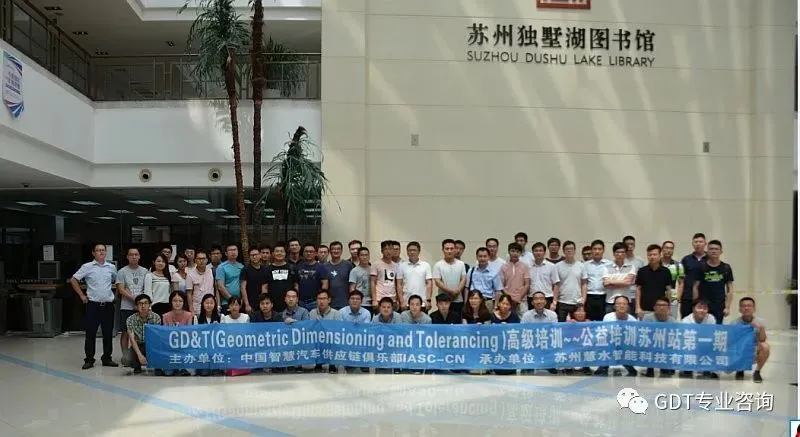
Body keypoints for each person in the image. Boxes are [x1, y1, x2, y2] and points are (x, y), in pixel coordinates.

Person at [71, 243, 119, 370]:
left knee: (108, 333)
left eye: (103, 250)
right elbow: (73, 280)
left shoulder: (111, 267)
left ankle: (107, 358)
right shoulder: (87, 267)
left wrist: (115, 296)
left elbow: (117, 282)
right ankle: (89, 359)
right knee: (90, 333)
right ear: (93, 253)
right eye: (98, 250)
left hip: (108, 305)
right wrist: (82, 295)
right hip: (93, 305)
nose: (101, 252)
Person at [691, 239, 733, 324]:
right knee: (702, 328)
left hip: (719, 305)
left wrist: (727, 307)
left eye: (716, 249)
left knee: (716, 328)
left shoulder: (726, 267)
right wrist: (695, 304)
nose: (714, 251)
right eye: (711, 249)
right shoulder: (700, 267)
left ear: (721, 251)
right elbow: (695, 286)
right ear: (707, 251)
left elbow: (730, 289)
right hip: (703, 305)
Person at [116, 247, 147, 360]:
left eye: (136, 254)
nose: (134, 257)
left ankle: (140, 354)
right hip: (126, 306)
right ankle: (125, 356)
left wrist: (140, 302)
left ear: (139, 256)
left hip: (142, 307)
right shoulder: (122, 271)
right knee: (125, 332)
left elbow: (146, 288)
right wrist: (136, 299)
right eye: (131, 255)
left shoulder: (145, 271)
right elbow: (121, 290)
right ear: (127, 257)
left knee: (141, 332)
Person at [595, 296, 638, 377]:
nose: (621, 306)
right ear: (614, 306)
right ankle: (603, 367)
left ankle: (629, 367)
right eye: (619, 304)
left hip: (626, 344)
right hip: (611, 342)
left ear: (628, 306)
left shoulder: (632, 320)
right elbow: (605, 333)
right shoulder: (608, 317)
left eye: (624, 304)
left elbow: (635, 336)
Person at [729, 297, 769, 383]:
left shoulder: (760, 321)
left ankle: (757, 372)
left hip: (754, 351)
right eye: (743, 306)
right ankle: (740, 369)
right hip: (740, 350)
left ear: (754, 308)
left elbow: (762, 340)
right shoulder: (734, 323)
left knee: (765, 346)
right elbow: (732, 342)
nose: (746, 308)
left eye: (749, 306)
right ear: (740, 309)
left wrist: (761, 329)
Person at [680, 299, 718, 379]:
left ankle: (708, 368)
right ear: (693, 309)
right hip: (691, 345)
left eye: (705, 308)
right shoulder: (685, 321)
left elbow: (712, 335)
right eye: (699, 307)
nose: (702, 310)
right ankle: (687, 368)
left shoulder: (711, 318)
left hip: (706, 344)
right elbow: (685, 339)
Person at [520, 291, 557, 374]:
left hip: (547, 342)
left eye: (541, 299)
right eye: (536, 299)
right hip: (531, 343)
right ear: (532, 302)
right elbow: (522, 332)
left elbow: (554, 333)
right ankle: (529, 364)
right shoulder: (526, 315)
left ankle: (549, 364)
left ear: (545, 301)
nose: (539, 301)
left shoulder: (552, 315)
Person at [125, 294, 161, 375]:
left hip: (152, 345)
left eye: (145, 303)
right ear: (136, 306)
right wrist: (139, 355)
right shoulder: (130, 319)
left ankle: (157, 366)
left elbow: (157, 337)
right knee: (126, 359)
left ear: (150, 305)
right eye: (140, 303)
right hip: (138, 345)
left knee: (159, 347)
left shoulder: (156, 317)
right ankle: (137, 366)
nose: (143, 306)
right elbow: (132, 339)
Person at [551, 241, 587, 322]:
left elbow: (584, 284)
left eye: (571, 249)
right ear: (563, 251)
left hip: (577, 302)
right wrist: (554, 301)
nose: (569, 251)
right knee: (562, 325)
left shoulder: (581, 266)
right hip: (562, 302)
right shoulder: (557, 266)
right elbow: (556, 285)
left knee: (577, 326)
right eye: (567, 249)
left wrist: (583, 300)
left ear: (575, 251)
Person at [635, 244, 673, 320]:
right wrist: (638, 307)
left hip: (661, 309)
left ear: (660, 255)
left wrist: (669, 308)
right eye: (650, 255)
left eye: (655, 254)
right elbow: (638, 290)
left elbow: (668, 291)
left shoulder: (666, 271)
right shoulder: (642, 271)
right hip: (644, 309)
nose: (652, 257)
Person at [161, 291, 194, 376]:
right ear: (171, 302)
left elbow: (189, 334)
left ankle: (182, 367)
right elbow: (165, 335)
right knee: (168, 373)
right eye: (175, 301)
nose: (177, 303)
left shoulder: (189, 315)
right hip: (170, 348)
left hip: (184, 347)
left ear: (184, 302)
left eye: (180, 301)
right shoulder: (165, 316)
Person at [642, 296, 675, 377]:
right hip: (650, 344)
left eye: (664, 305)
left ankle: (665, 365)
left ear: (668, 308)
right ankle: (650, 367)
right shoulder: (647, 318)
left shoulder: (672, 320)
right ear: (654, 307)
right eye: (659, 305)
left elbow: (673, 338)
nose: (661, 307)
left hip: (665, 346)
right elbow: (643, 334)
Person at [433, 239, 467, 314]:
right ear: (443, 250)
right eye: (447, 249)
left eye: (451, 248)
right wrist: (451, 292)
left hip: (458, 299)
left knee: (457, 319)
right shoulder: (438, 265)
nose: (449, 251)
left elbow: (463, 279)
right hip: (443, 300)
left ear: (455, 250)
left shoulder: (461, 264)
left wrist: (457, 291)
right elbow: (437, 281)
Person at [396, 241, 433, 310]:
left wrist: (428, 300)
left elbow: (429, 284)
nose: (412, 252)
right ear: (407, 252)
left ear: (419, 251)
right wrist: (401, 302)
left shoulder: (426, 265)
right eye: (410, 250)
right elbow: (399, 285)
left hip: (422, 303)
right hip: (406, 303)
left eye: (414, 250)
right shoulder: (401, 266)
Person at [466, 247, 504, 312]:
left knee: (487, 318)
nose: (482, 258)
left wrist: (495, 306)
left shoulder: (494, 272)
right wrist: (465, 303)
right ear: (477, 257)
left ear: (488, 257)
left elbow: (498, 291)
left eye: (485, 256)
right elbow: (466, 288)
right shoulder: (471, 271)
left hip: (487, 302)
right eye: (480, 256)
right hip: (473, 302)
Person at [679, 233, 707, 318]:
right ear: (692, 244)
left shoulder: (710, 259)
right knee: (686, 321)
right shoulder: (686, 259)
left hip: (705, 298)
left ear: (705, 243)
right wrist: (679, 296)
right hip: (687, 297)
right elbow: (681, 280)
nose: (698, 244)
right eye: (696, 242)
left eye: (700, 242)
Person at [266, 243, 299, 314]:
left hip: (289, 304)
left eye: (282, 251)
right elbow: (265, 287)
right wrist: (266, 302)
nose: (279, 253)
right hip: (272, 305)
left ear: (285, 253)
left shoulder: (292, 267)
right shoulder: (268, 269)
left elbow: (296, 285)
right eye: (277, 251)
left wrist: (296, 300)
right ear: (273, 254)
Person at [500, 242, 531, 317]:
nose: (515, 253)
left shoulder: (524, 266)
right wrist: (509, 297)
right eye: (513, 251)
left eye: (517, 252)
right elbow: (501, 285)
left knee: (523, 320)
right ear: (509, 252)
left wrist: (519, 297)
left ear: (520, 253)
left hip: (522, 300)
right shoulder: (503, 266)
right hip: (507, 300)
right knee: (508, 319)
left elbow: (527, 284)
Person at [296, 243, 329, 311]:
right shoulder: (298, 266)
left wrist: (321, 299)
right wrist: (296, 298)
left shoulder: (321, 267)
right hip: (301, 302)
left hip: (315, 302)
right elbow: (296, 284)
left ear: (316, 253)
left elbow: (325, 284)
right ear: (303, 253)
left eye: (311, 251)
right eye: (306, 251)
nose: (308, 253)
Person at [370, 241, 401, 312]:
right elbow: (372, 282)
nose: (388, 251)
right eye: (386, 249)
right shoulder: (376, 264)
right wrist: (374, 300)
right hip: (380, 299)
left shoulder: (396, 266)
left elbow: (397, 284)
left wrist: (398, 299)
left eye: (390, 249)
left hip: (392, 299)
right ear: (382, 251)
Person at [240, 247, 270, 315]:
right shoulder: (245, 269)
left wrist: (264, 304)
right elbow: (243, 288)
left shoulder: (265, 270)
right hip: (249, 303)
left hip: (260, 303)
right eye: (252, 255)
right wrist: (247, 304)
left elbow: (264, 288)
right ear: (249, 257)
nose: (254, 257)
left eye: (256, 254)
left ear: (260, 255)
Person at [216, 243, 244, 314]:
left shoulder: (241, 266)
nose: (233, 252)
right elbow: (220, 287)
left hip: (240, 303)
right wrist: (232, 300)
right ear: (226, 253)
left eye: (235, 250)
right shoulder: (221, 267)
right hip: (227, 303)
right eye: (230, 250)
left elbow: (243, 286)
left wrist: (241, 301)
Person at [325, 241, 353, 310]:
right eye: (333, 249)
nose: (336, 251)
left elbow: (352, 284)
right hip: (330, 303)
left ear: (341, 251)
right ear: (330, 251)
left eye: (338, 249)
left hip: (345, 302)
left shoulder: (348, 265)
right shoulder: (325, 266)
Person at [186, 249, 215, 315]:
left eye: (203, 259)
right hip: (197, 308)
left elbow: (215, 288)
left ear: (207, 260)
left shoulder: (211, 271)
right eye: (199, 259)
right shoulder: (190, 275)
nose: (201, 261)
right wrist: (191, 309)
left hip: (211, 306)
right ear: (195, 260)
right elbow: (189, 293)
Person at [349, 247, 373, 312]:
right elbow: (352, 288)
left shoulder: (373, 269)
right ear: (358, 257)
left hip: (371, 302)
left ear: (369, 256)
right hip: (359, 303)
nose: (364, 257)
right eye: (362, 255)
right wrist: (354, 301)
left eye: (366, 255)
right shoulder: (354, 271)